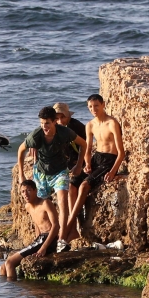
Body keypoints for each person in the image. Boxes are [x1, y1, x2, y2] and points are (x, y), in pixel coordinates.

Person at [17, 107, 85, 253]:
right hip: (41, 173)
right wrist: (21, 174)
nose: (44, 127)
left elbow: (83, 144)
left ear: (55, 122)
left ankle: (61, 239)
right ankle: (39, 238)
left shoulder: (64, 132)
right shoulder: (36, 135)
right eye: (42, 123)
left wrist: (79, 165)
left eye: (47, 123)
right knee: (38, 205)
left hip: (60, 171)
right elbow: (21, 150)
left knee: (62, 200)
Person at [66, 95, 125, 236]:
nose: (94, 109)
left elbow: (121, 153)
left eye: (96, 105)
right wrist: (86, 163)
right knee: (72, 185)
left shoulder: (112, 123)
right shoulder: (90, 125)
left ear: (103, 104)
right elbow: (87, 149)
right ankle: (74, 227)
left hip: (109, 159)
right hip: (96, 157)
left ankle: (68, 224)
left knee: (84, 186)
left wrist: (112, 172)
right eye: (90, 107)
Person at [0, 180, 55, 280]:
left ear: (35, 191)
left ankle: (12, 292)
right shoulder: (28, 206)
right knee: (2, 268)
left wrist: (43, 247)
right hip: (40, 239)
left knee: (9, 263)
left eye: (28, 190)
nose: (25, 194)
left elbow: (56, 226)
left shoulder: (45, 203)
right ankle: (4, 292)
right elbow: (37, 224)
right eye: (23, 191)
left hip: (49, 238)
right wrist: (35, 243)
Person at [54, 102, 88, 240]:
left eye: (63, 117)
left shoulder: (77, 127)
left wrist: (80, 165)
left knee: (71, 187)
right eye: (57, 118)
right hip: (66, 164)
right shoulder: (56, 128)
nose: (61, 121)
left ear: (68, 116)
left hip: (81, 163)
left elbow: (85, 147)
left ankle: (72, 229)